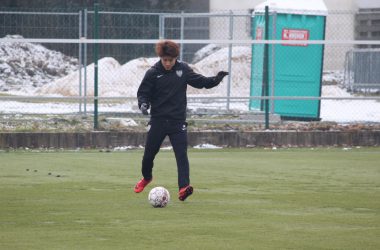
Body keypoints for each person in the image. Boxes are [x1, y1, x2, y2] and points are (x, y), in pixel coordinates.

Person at [134, 40, 228, 201]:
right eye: (165, 60)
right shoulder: (152, 72)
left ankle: (183, 188)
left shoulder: (183, 69)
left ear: (176, 58)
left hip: (178, 122)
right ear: (161, 58)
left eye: (171, 60)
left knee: (181, 155)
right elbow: (144, 93)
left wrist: (215, 80)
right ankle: (147, 177)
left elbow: (201, 82)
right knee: (148, 156)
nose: (168, 63)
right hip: (158, 121)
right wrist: (143, 104)